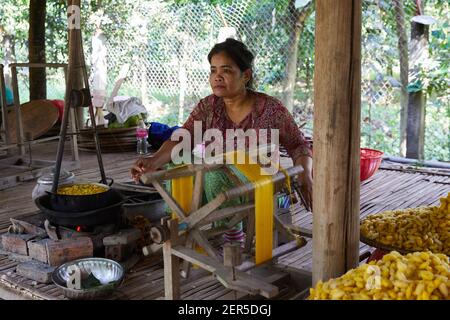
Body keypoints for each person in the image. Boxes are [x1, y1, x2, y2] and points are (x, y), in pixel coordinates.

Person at [131, 38, 313, 245]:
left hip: (259, 178)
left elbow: (299, 145)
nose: (217, 77)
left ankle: (232, 233)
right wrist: (153, 161)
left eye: (225, 70)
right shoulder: (209, 106)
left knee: (213, 174)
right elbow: (183, 138)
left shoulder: (270, 109)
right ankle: (182, 223)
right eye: (213, 70)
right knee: (181, 159)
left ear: (245, 75)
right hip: (218, 177)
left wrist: (305, 174)